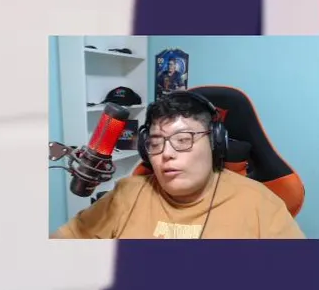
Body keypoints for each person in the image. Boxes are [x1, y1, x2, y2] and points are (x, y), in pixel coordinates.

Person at [53, 91, 304, 239]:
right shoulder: (126, 194)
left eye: (183, 140)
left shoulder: (260, 203)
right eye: (155, 143)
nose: (166, 154)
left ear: (215, 143)